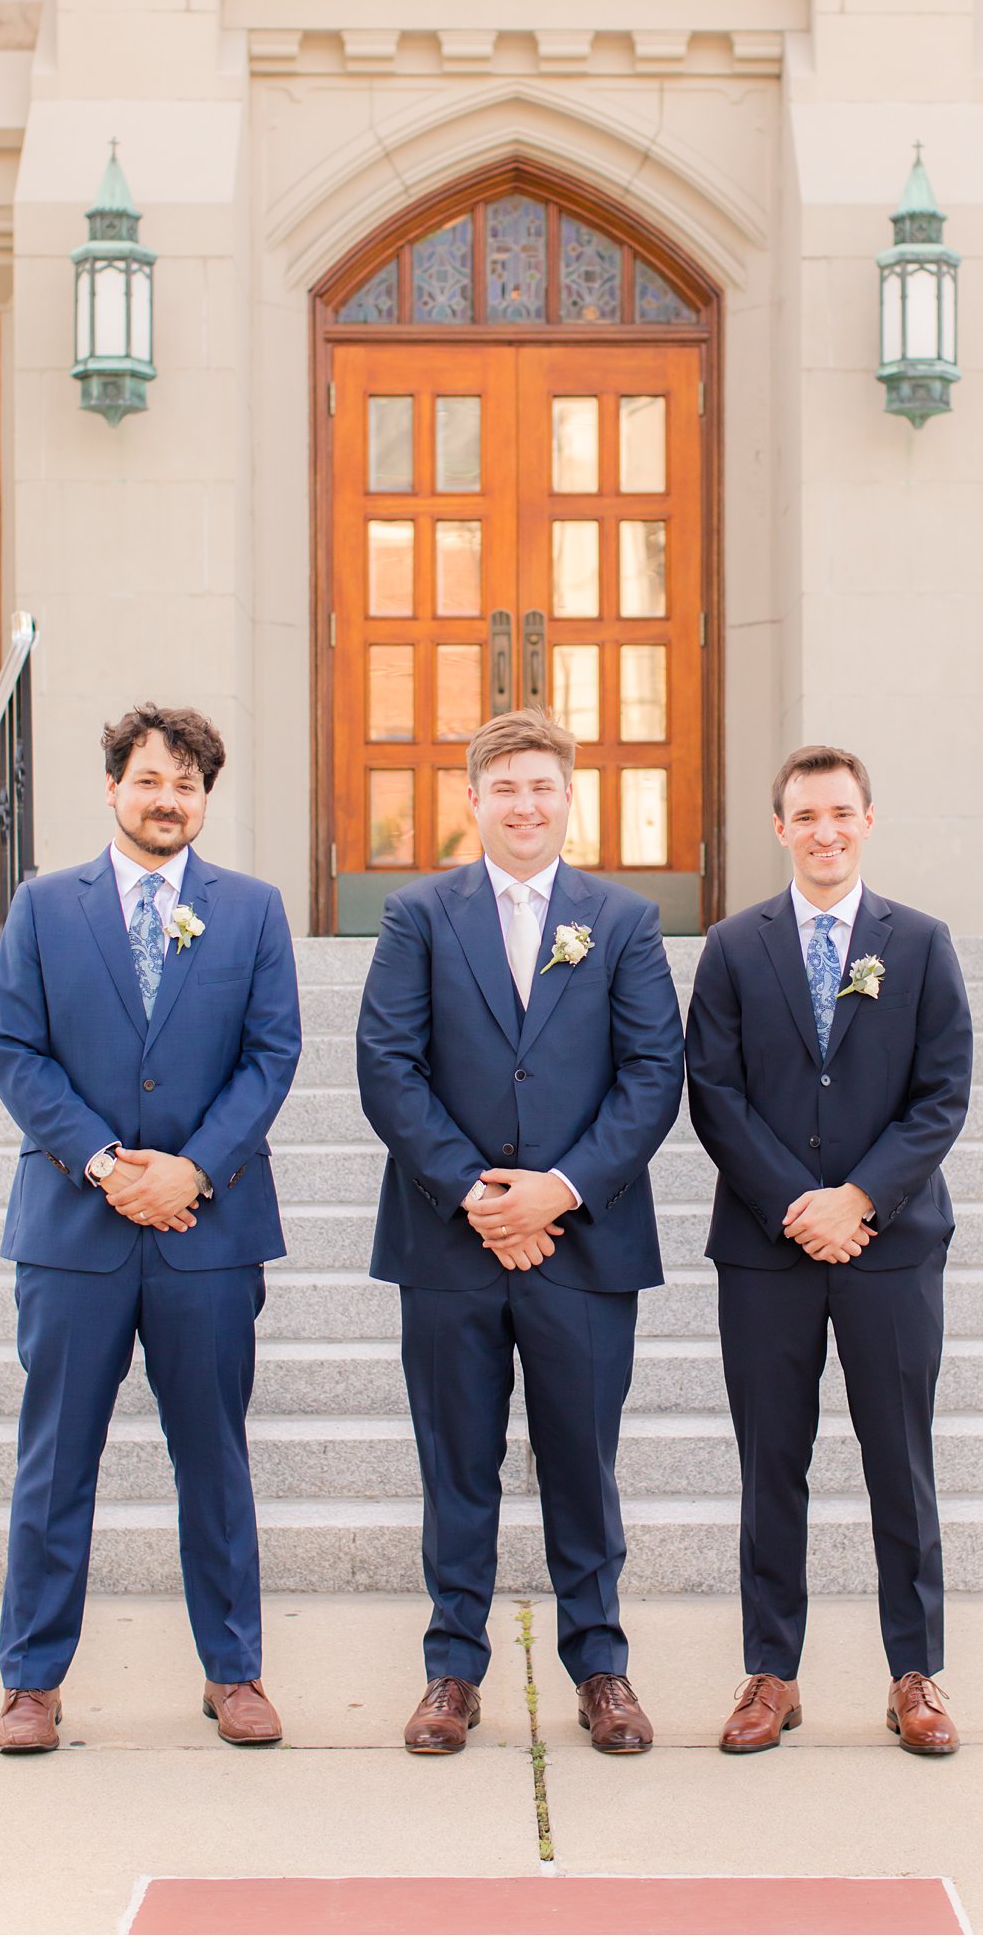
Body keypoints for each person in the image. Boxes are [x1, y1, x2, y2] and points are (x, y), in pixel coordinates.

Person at [357, 709, 684, 1756]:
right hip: (447, 1244)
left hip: (582, 1244)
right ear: (473, 802)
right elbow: (387, 1067)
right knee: (455, 1462)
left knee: (581, 1462)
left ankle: (601, 1667)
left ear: (568, 797)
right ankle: (451, 1669)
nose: (525, 805)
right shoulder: (416, 915)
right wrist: (476, 1195)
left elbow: (650, 1075)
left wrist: (557, 1191)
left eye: (542, 786)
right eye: (504, 788)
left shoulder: (623, 920)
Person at [0, 704, 301, 1752]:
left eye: (188, 785)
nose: (169, 800)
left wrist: (193, 1170)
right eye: (151, 780)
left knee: (212, 1459)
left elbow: (270, 1057)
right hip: (74, 1232)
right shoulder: (42, 907)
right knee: (54, 1462)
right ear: (112, 787)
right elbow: (15, 1051)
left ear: (205, 799)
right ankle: (31, 1681)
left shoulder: (251, 912)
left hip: (207, 1234)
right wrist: (109, 1165)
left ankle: (234, 1671)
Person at [685, 744, 972, 1758]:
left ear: (866, 819)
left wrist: (856, 1200)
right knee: (772, 1463)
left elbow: (940, 1095)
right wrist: (795, 1205)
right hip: (766, 1252)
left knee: (899, 1462)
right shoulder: (729, 947)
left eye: (840, 814)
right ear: (778, 827)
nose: (823, 831)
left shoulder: (922, 944)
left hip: (889, 1248)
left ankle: (914, 1674)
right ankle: (770, 1672)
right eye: (804, 815)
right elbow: (712, 1094)